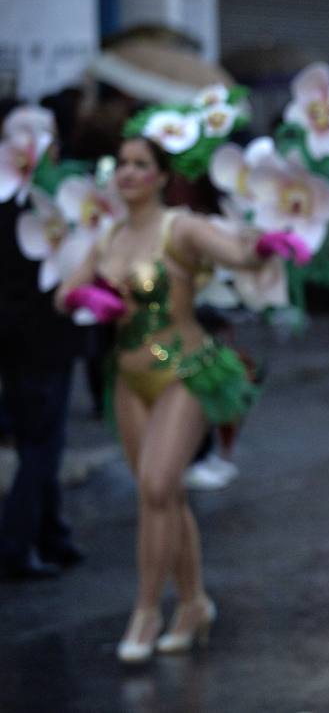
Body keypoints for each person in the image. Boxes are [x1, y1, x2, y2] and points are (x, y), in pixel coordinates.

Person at [55, 135, 308, 664]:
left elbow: (237, 254)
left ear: (161, 176)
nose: (127, 173)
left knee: (154, 485)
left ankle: (145, 613)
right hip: (128, 381)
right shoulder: (110, 236)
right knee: (164, 499)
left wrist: (264, 246)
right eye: (121, 164)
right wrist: (89, 296)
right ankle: (193, 604)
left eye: (140, 164)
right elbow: (64, 294)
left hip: (186, 372)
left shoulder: (181, 227)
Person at [0, 100, 83, 579]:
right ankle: (16, 544)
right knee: (41, 444)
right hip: (42, 335)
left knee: (42, 437)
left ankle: (53, 534)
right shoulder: (37, 198)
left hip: (19, 337)